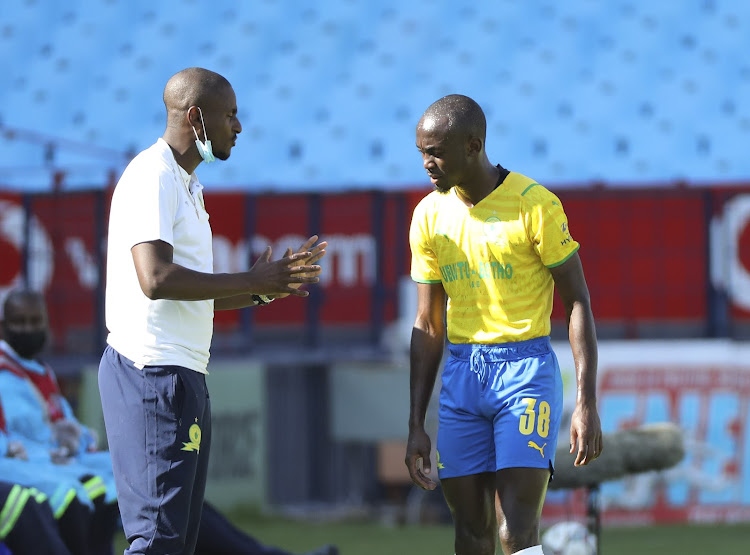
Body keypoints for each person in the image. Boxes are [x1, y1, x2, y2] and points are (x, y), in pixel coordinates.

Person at [98, 67, 329, 555]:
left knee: (178, 542)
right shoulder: (151, 175)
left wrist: (267, 288)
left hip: (183, 375)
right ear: (196, 117)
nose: (238, 127)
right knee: (157, 540)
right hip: (150, 373)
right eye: (230, 116)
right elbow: (155, 279)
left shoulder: (187, 185)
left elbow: (195, 292)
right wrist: (250, 279)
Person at [404, 94, 603, 555]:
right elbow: (429, 324)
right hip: (462, 374)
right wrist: (416, 422)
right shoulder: (428, 216)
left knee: (515, 529)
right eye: (422, 153)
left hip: (525, 372)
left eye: (436, 152)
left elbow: (578, 302)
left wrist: (585, 403)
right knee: (471, 530)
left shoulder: (536, 205)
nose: (427, 163)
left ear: (473, 146)